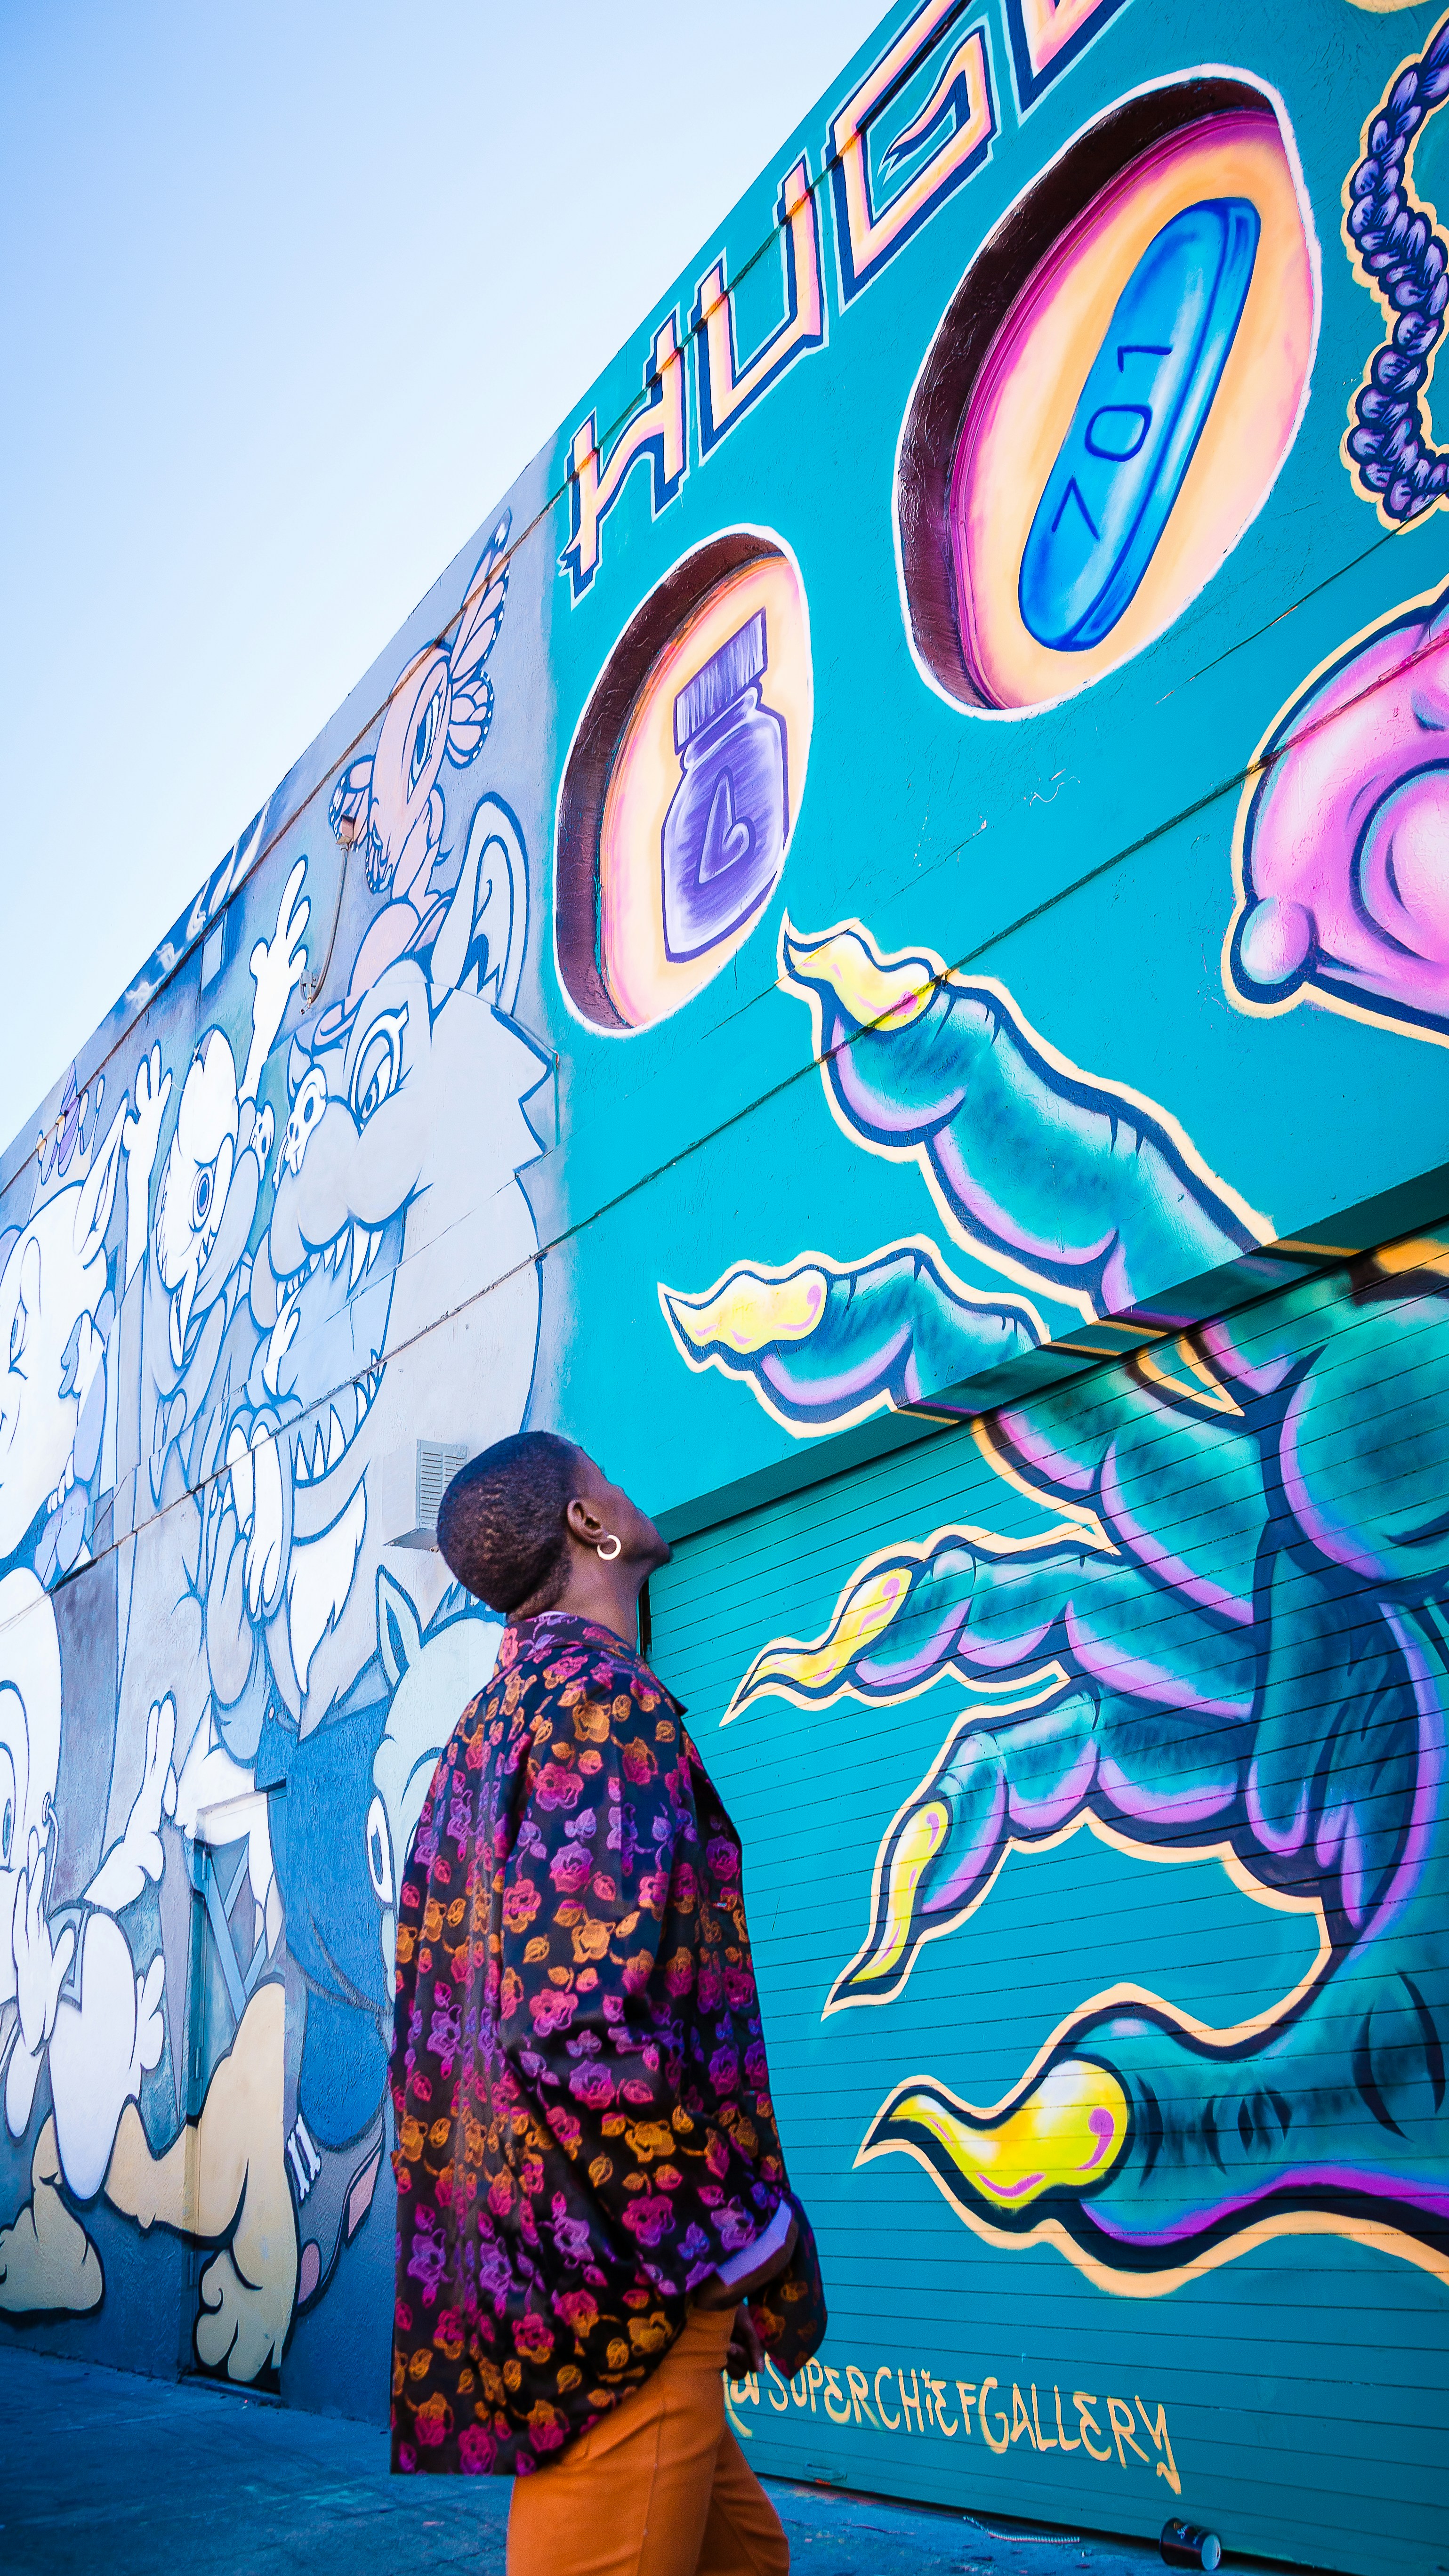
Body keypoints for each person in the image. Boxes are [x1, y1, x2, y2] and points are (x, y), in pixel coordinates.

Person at [388, 1430, 826, 2576]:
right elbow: (579, 2026)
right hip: (621, 2284)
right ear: (593, 1528)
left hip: (548, 2259)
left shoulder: (491, 1726)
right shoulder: (600, 1711)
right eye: (610, 1481)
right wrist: (735, 2235)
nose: (634, 1490)